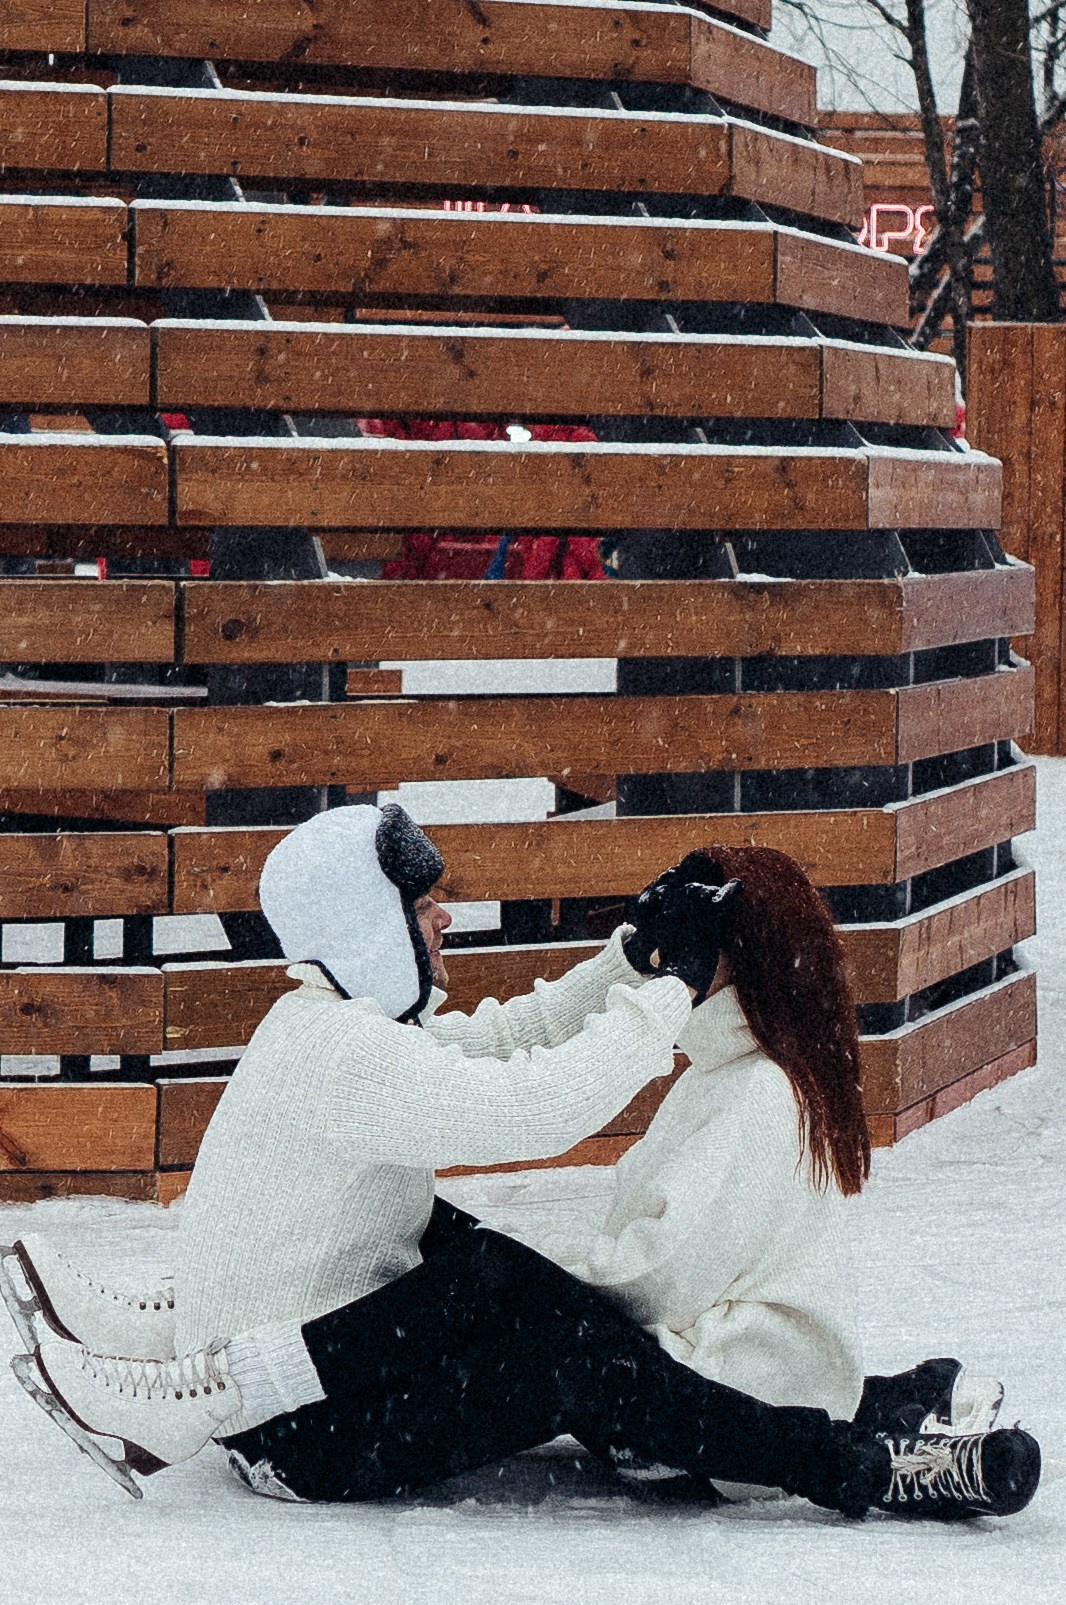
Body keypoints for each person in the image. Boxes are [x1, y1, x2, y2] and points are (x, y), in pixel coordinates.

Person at [3, 815, 1041, 1520]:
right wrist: (670, 989)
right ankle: (858, 1465)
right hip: (304, 1440)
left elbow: (508, 1043)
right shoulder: (349, 1054)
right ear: (371, 927)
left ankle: (178, 1349)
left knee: (496, 1271)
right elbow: (540, 1104)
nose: (444, 918)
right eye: (422, 907)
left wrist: (623, 961)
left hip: (309, 1387)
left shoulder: (324, 1025)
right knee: (558, 1343)